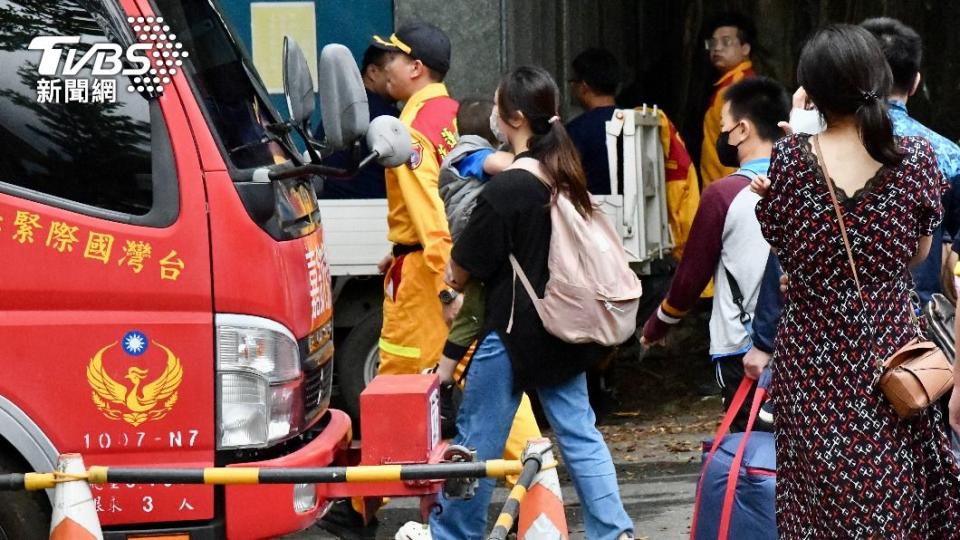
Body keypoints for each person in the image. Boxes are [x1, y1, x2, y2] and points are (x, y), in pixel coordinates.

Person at [755, 25, 960, 536]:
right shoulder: (915, 160)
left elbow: (789, 254)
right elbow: (919, 256)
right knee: (899, 480)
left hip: (812, 355)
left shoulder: (789, 160)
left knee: (818, 492)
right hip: (891, 348)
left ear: (810, 89)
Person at [429, 66, 634, 539]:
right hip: (563, 329)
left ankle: (454, 533)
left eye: (500, 111)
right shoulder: (561, 173)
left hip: (513, 333)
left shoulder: (508, 188)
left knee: (476, 441)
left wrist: (452, 281)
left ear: (515, 119)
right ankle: (613, 530)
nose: (495, 122)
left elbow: (467, 262)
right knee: (581, 435)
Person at [640, 77, 789, 431]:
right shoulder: (810, 185)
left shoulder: (723, 195)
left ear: (742, 130)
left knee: (754, 456)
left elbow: (691, 279)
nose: (722, 136)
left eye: (723, 128)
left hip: (746, 348)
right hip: (805, 344)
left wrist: (656, 325)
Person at [435, 97, 514, 437]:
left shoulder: (461, 152)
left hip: (468, 244)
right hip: (474, 242)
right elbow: (503, 166)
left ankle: (443, 379)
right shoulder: (471, 154)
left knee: (474, 315)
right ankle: (442, 380)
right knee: (472, 318)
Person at [316, 45, 399, 199]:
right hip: (366, 212)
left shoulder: (343, 108)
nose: (398, 75)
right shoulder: (383, 116)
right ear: (373, 72)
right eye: (392, 68)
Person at [700, 12, 756, 190]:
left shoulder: (738, 87)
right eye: (713, 43)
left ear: (745, 48)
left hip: (730, 189)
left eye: (726, 42)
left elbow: (739, 144)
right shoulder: (729, 84)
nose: (717, 48)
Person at [566, 47, 620, 195]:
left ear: (584, 87)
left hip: (594, 213)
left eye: (573, 83)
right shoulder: (635, 124)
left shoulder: (577, 130)